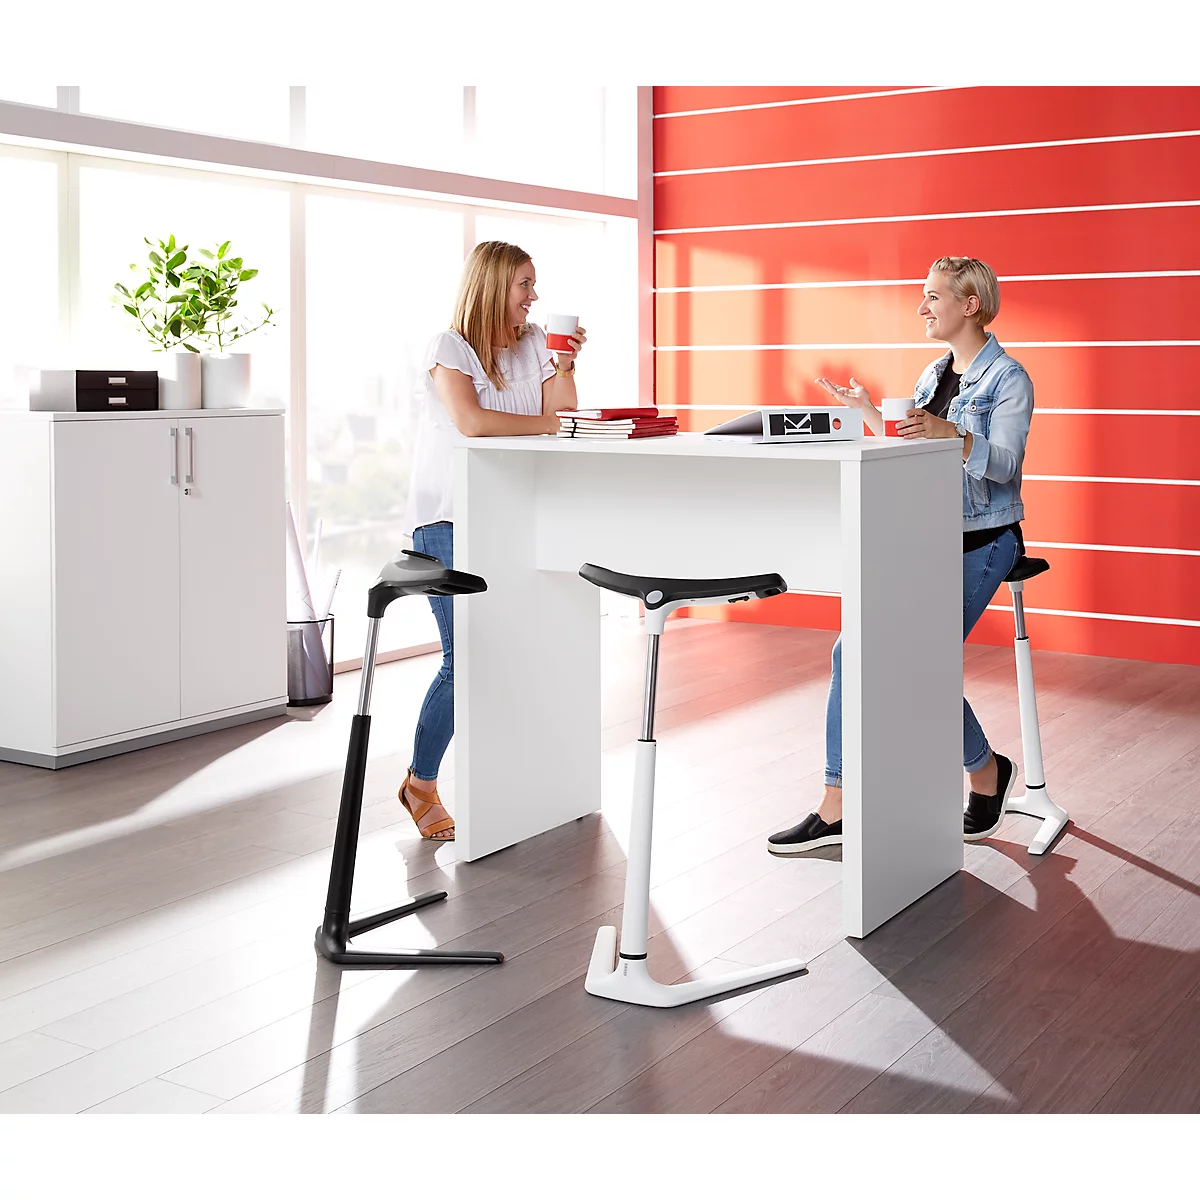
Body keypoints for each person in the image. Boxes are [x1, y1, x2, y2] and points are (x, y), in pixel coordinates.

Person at [767, 256, 1034, 855]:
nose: (922, 308)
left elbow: (1006, 465)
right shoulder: (931, 376)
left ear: (969, 304)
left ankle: (986, 773)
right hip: (928, 536)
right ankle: (837, 802)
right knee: (851, 649)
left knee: (921, 661)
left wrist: (955, 436)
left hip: (986, 540)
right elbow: (910, 452)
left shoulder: (1008, 379)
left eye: (933, 297)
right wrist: (867, 412)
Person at [398, 240, 586, 840]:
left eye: (534, 285)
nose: (534, 298)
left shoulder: (534, 344)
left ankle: (519, 786)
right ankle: (421, 783)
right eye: (524, 286)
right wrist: (551, 425)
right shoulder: (447, 347)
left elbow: (566, 409)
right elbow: (473, 423)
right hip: (448, 521)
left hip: (512, 513)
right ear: (492, 287)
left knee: (521, 649)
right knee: (468, 658)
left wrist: (565, 365)